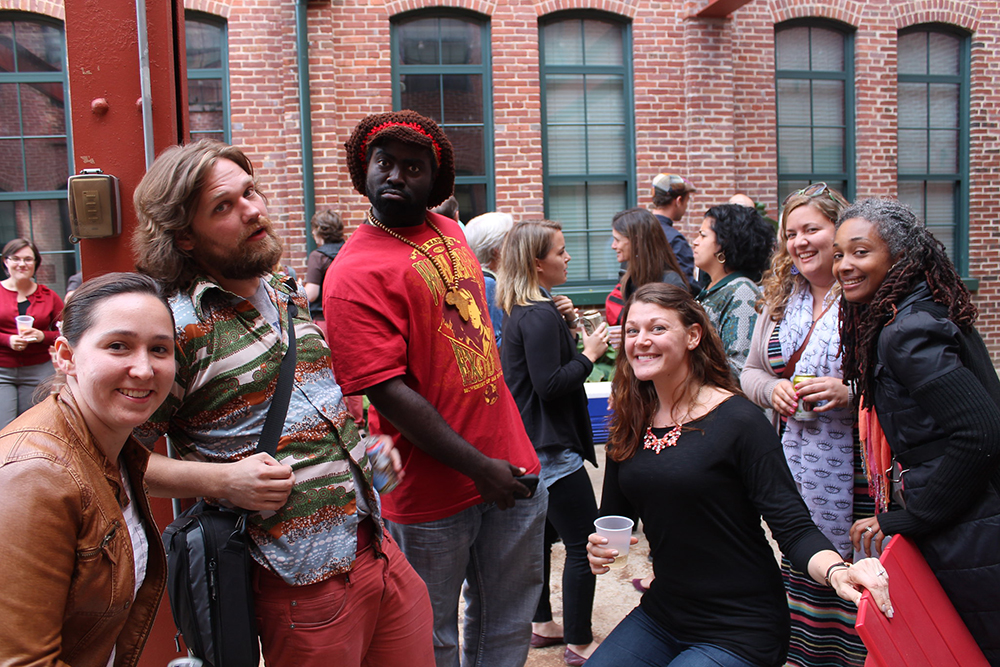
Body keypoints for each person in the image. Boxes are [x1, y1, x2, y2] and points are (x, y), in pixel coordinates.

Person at [130, 139, 434, 667]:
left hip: (378, 548)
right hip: (299, 583)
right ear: (183, 237)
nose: (251, 210)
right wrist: (220, 481)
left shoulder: (284, 288)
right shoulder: (176, 329)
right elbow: (115, 460)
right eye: (223, 207)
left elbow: (307, 401)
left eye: (250, 192)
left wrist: (362, 448)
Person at [323, 111, 546, 667]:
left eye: (413, 167)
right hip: (430, 494)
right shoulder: (351, 274)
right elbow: (388, 392)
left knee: (508, 620)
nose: (396, 175)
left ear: (435, 182)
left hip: (512, 467)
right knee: (431, 636)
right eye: (385, 163)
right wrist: (477, 466)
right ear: (365, 171)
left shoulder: (449, 232)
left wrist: (500, 461)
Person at [585, 283, 891, 667]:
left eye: (657, 328)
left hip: (742, 626)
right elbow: (615, 518)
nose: (642, 341)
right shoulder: (630, 421)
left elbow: (792, 525)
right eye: (632, 331)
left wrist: (837, 572)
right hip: (664, 614)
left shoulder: (739, 420)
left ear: (693, 335)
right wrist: (600, 547)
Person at [834, 197, 1000, 666]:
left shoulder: (906, 332)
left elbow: (980, 432)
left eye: (860, 252)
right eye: (840, 254)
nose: (845, 265)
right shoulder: (922, 310)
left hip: (971, 531)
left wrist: (910, 518)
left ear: (899, 257)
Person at [0, 272, 172, 666]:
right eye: (118, 346)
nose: (144, 369)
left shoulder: (111, 448)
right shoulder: (33, 473)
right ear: (65, 355)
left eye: (160, 349)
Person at [740, 183, 869, 667]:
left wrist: (849, 392)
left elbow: (897, 382)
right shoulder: (777, 302)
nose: (800, 242)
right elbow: (750, 371)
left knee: (859, 570)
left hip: (859, 475)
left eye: (811, 228)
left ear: (839, 231)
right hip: (795, 465)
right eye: (791, 233)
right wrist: (770, 392)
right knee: (801, 561)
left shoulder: (866, 295)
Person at [497, 219, 608, 666]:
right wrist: (591, 354)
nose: (567, 258)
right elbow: (549, 384)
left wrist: (560, 317)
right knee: (586, 542)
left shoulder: (528, 306)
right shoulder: (538, 313)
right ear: (537, 263)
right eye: (560, 252)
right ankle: (580, 643)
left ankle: (542, 623)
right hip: (551, 451)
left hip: (530, 445)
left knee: (541, 539)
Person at [692, 204, 775, 380]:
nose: (695, 241)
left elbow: (740, 368)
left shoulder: (742, 292)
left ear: (724, 245)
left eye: (703, 235)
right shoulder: (713, 287)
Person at [0, 238, 63, 429]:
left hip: (38, 370)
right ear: (6, 261)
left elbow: (66, 330)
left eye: (28, 259)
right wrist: (7, 339)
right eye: (16, 259)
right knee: (5, 427)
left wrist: (42, 336)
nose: (22, 264)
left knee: (33, 426)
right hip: (2, 369)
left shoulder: (48, 296)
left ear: (35, 263)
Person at [606, 207, 692, 331]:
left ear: (636, 241)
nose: (613, 246)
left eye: (617, 240)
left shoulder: (671, 283)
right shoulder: (630, 276)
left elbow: (679, 332)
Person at [464, 211, 514, 347]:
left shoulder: (473, 277)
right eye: (511, 240)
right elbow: (495, 343)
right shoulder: (488, 284)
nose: (515, 246)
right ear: (496, 250)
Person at [649, 173, 699, 286]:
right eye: (687, 201)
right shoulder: (675, 240)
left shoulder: (638, 231)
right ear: (678, 201)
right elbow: (686, 284)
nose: (686, 206)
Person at [304, 208, 345, 323]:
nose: (312, 233)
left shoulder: (318, 257)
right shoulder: (349, 251)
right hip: (348, 317)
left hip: (324, 319)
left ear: (318, 230)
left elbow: (311, 294)